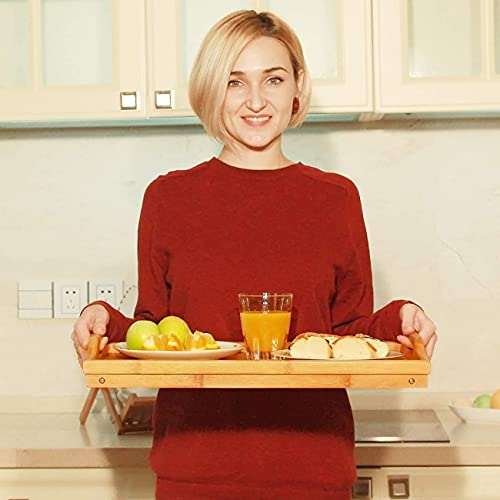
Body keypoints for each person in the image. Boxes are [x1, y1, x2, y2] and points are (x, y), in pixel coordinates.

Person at [72, 10, 437, 500]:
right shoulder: (168, 199)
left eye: (274, 78)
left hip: (312, 467)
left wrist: (401, 318)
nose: (257, 101)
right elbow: (158, 332)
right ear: (211, 89)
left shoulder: (336, 199)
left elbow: (348, 334)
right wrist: (102, 320)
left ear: (297, 87)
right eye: (235, 82)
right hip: (194, 468)